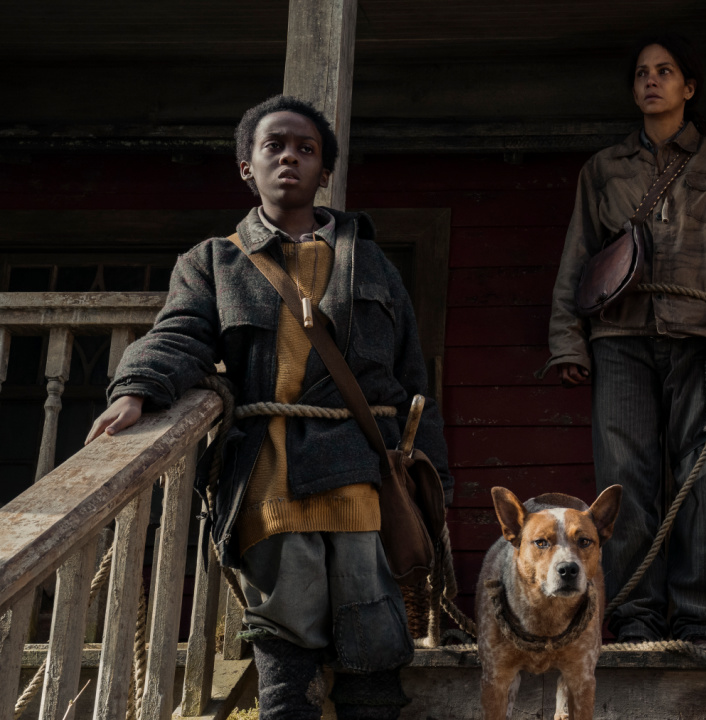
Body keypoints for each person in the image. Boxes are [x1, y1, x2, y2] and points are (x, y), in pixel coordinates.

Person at [86, 95, 451, 720]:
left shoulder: (374, 263)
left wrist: (433, 482)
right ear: (246, 167)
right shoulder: (214, 261)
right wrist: (137, 388)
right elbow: (179, 334)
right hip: (272, 475)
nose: (290, 157)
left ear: (324, 171)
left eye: (306, 149)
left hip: (364, 476)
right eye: (274, 146)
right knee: (285, 643)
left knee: (375, 642)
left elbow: (411, 379)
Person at [543, 32, 706, 650]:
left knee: (699, 478)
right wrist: (569, 344)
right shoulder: (603, 169)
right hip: (618, 337)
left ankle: (701, 622)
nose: (650, 81)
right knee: (623, 482)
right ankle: (633, 617)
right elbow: (578, 258)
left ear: (689, 87)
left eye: (664, 71)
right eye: (640, 74)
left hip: (700, 336)